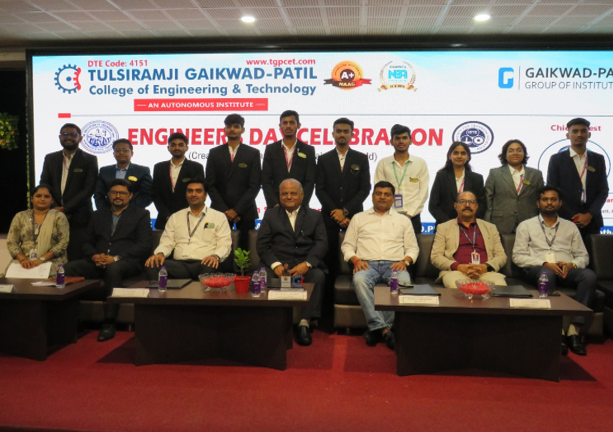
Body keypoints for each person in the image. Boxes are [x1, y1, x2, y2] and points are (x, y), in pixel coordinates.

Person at [513, 185, 596, 356]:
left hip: (567, 269)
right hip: (538, 269)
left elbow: (583, 256)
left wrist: (572, 264)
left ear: (560, 203)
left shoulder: (570, 227)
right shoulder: (526, 225)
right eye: (545, 199)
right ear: (538, 203)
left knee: (589, 276)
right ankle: (558, 332)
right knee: (547, 274)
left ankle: (574, 330)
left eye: (553, 199)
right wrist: (544, 263)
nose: (549, 203)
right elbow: (518, 256)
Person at [64, 179, 152, 341]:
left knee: (114, 269)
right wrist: (94, 256)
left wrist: (116, 258)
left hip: (127, 262)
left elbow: (144, 245)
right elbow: (86, 242)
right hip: (98, 261)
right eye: (114, 192)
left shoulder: (141, 214)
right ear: (108, 195)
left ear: (130, 195)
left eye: (122, 193)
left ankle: (109, 322)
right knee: (68, 268)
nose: (118, 196)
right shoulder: (97, 215)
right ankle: (70, 318)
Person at [341, 181, 419, 350]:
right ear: (372, 196)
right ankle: (385, 330)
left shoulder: (403, 220)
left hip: (394, 266)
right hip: (366, 265)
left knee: (403, 283)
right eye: (378, 193)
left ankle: (377, 329)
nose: (382, 197)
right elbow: (347, 246)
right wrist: (356, 260)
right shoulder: (359, 218)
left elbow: (413, 248)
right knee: (359, 281)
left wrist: (404, 261)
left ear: (393, 198)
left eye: (386, 194)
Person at [257, 179, 328, 346]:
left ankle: (304, 323)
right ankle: (270, 323)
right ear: (279, 196)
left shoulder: (315, 216)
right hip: (278, 264)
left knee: (318, 276)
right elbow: (262, 245)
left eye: (293, 193)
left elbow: (322, 243)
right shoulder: (270, 215)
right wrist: (275, 265)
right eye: (284, 193)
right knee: (262, 276)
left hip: (304, 264)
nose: (288, 197)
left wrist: (307, 264)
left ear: (302, 196)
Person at [315, 117, 371, 316]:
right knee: (328, 262)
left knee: (353, 261)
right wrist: (336, 213)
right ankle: (327, 311)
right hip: (328, 219)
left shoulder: (361, 158)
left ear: (352, 134)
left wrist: (345, 211)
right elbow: (320, 190)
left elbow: (365, 189)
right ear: (332, 134)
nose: (342, 134)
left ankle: (357, 309)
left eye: (346, 131)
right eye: (338, 131)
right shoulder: (323, 159)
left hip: (353, 219)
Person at [146, 176, 232, 280]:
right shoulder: (175, 217)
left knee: (211, 268)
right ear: (186, 195)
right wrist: (160, 254)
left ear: (205, 195)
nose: (193, 194)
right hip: (179, 265)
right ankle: (161, 291)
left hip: (204, 263)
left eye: (198, 191)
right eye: (190, 191)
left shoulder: (218, 217)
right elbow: (167, 242)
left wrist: (215, 256)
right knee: (153, 265)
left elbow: (224, 244)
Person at [40, 123, 98, 260]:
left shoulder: (89, 159)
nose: (68, 137)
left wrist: (66, 208)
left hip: (79, 217)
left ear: (80, 138)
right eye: (65, 134)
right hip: (53, 215)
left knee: (75, 256)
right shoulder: (50, 158)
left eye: (73, 134)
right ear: (60, 137)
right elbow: (44, 185)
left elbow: (89, 189)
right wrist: (55, 208)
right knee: (53, 255)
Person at [206, 114, 261, 251]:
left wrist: (237, 210)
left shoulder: (253, 153)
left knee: (245, 250)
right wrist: (226, 211)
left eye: (236, 126)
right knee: (218, 249)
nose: (232, 129)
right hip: (220, 211)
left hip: (245, 212)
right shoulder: (214, 153)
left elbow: (254, 185)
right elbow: (210, 185)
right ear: (224, 129)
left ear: (243, 130)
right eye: (229, 126)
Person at [547, 118, 608, 241]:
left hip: (591, 221)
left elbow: (603, 191)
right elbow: (553, 191)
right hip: (564, 220)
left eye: (583, 131)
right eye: (575, 131)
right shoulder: (556, 160)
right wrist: (573, 216)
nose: (579, 134)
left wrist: (589, 214)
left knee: (593, 253)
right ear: (567, 135)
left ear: (589, 134)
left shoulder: (598, 159)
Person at [431, 191, 507, 288]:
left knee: (500, 286)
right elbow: (436, 256)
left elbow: (501, 256)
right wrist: (458, 266)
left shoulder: (490, 227)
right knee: (456, 286)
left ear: (476, 206)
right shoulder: (444, 227)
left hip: (486, 272)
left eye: (471, 202)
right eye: (462, 201)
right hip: (456, 272)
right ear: (455, 205)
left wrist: (486, 266)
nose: (467, 205)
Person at [374, 124, 428, 235]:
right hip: (388, 216)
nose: (401, 141)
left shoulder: (420, 163)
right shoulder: (383, 163)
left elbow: (423, 192)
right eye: (397, 138)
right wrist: (391, 214)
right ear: (391, 141)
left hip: (413, 217)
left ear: (411, 140)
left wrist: (410, 214)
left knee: (412, 246)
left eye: (404, 138)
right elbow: (379, 192)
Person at [6, 184, 69, 277]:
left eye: (47, 196)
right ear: (32, 198)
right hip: (24, 261)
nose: (42, 199)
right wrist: (23, 259)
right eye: (38, 196)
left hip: (50, 261)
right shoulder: (20, 216)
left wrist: (41, 259)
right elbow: (11, 242)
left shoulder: (58, 217)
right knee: (10, 277)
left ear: (52, 200)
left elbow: (63, 242)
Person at [484, 139, 544, 234]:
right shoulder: (495, 173)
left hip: (529, 222)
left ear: (524, 154)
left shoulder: (536, 174)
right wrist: (487, 222)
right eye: (511, 151)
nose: (515, 153)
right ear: (504, 155)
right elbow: (488, 199)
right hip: (501, 222)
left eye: (519, 150)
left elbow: (541, 199)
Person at [261, 110, 316, 208]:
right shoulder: (271, 149)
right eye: (285, 123)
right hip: (276, 207)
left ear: (298, 125)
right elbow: (266, 181)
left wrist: (300, 205)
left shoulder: (308, 150)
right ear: (280, 126)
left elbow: (310, 181)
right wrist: (275, 204)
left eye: (292, 122)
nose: (288, 126)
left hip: (300, 207)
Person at [152, 132, 205, 231]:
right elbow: (156, 194)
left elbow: (198, 194)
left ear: (186, 147)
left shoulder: (196, 167)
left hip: (189, 219)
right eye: (173, 145)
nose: (177, 148)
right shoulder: (159, 168)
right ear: (168, 147)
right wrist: (167, 216)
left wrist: (181, 216)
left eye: (180, 145)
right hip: (164, 220)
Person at [429, 141, 485, 226]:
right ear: (449, 156)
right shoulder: (441, 176)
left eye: (463, 153)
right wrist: (450, 223)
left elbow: (481, 205)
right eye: (455, 153)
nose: (459, 156)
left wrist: (468, 221)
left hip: (469, 226)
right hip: (445, 226)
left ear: (468, 157)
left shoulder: (477, 178)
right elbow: (433, 206)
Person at [94, 138, 153, 210]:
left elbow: (149, 194)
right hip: (108, 212)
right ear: (113, 154)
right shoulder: (104, 171)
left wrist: (130, 209)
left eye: (125, 150)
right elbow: (98, 195)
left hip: (134, 212)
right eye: (117, 150)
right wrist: (106, 211)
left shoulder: (142, 171)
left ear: (132, 153)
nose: (121, 153)